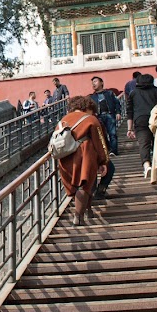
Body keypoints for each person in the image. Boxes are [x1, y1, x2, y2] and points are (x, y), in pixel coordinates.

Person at [56, 96, 110, 226]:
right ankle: (78, 216)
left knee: (75, 185)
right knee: (84, 184)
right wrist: (104, 161)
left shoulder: (63, 120)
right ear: (88, 107)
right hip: (85, 154)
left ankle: (87, 210)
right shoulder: (90, 119)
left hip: (65, 156)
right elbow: (100, 141)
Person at [126, 73, 157, 178]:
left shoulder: (133, 93)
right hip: (156, 119)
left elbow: (130, 112)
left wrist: (129, 129)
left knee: (144, 143)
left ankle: (147, 166)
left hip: (140, 120)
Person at [89, 76, 122, 155]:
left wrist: (118, 112)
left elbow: (117, 103)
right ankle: (107, 149)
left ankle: (114, 150)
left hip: (109, 115)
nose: (93, 84)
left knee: (112, 133)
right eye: (92, 82)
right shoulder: (92, 97)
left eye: (95, 81)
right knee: (102, 135)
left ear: (101, 83)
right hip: (98, 117)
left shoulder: (109, 93)